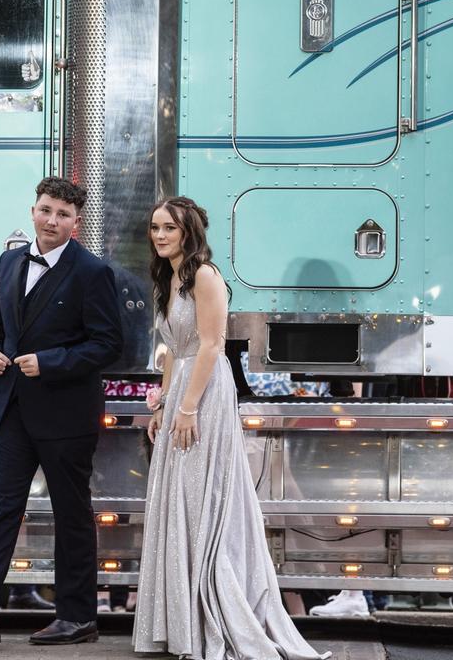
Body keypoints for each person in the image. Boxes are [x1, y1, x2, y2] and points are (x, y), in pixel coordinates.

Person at [133, 196, 330, 660]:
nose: (160, 235)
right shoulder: (169, 277)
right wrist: (162, 404)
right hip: (182, 386)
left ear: (189, 233)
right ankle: (183, 623)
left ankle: (211, 615)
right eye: (156, 227)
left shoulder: (204, 275)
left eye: (170, 228)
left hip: (205, 392)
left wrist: (187, 408)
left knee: (203, 497)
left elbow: (211, 346)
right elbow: (172, 351)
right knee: (179, 498)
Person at [0, 176, 123, 645]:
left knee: (71, 513)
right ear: (33, 210)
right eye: (46, 210)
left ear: (76, 223)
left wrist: (50, 362)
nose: (51, 220)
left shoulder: (92, 272)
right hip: (10, 408)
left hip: (66, 414)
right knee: (2, 507)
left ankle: (78, 617)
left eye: (63, 215)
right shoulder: (8, 262)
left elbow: (108, 344)